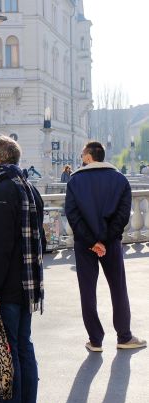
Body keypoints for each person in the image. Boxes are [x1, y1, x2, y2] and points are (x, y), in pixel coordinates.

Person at [0, 136, 45, 403]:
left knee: (10, 349)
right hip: (28, 285)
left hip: (8, 286)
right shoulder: (29, 187)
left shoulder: (3, 191)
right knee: (23, 345)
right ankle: (28, 402)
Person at [65, 141, 146, 352]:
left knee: (88, 291)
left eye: (83, 153)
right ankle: (124, 336)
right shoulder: (120, 179)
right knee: (118, 289)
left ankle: (95, 340)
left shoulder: (75, 181)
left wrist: (92, 242)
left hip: (85, 245)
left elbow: (73, 216)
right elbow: (123, 215)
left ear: (89, 157)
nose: (81, 156)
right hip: (111, 243)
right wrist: (105, 239)